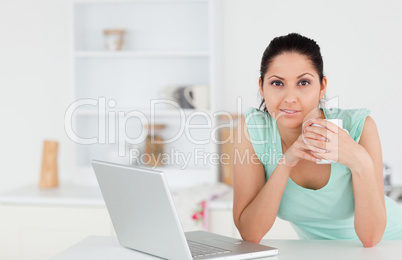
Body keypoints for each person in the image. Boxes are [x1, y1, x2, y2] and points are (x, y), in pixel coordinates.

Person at [232, 33, 402, 248]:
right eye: (277, 83)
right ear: (261, 86)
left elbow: (371, 239)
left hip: (389, 247)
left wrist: (359, 161)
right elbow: (250, 233)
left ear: (322, 86)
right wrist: (286, 162)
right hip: (319, 252)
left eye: (303, 82)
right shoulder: (253, 130)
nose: (290, 98)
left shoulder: (359, 127)